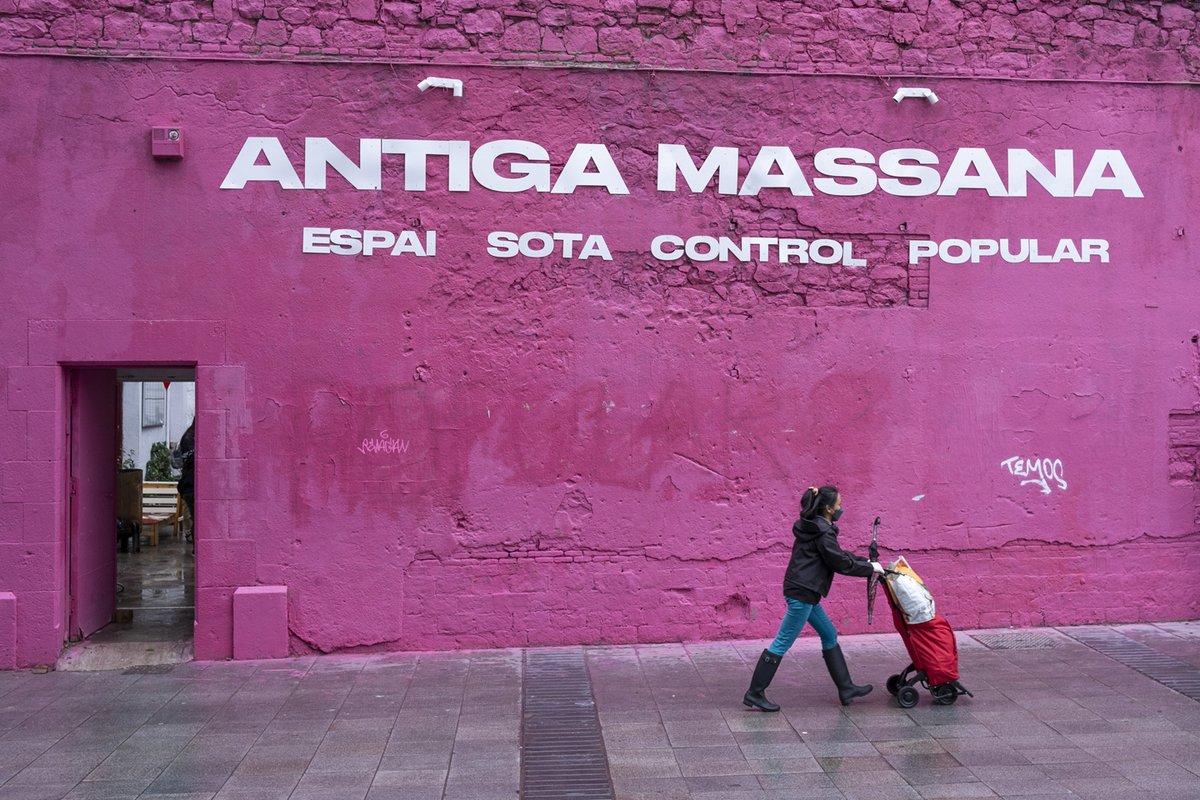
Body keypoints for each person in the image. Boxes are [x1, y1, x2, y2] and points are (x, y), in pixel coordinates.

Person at [743, 485, 884, 712]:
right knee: (782, 642)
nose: (841, 508)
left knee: (829, 634)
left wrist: (865, 563)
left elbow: (838, 555)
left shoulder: (814, 527)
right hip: (802, 594)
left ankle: (846, 688)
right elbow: (838, 562)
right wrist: (870, 569)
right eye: (838, 504)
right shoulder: (823, 532)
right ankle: (755, 693)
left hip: (805, 591)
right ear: (828, 508)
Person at [176, 420, 195, 545]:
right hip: (190, 484)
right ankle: (190, 534)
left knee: (193, 514)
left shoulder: (188, 436)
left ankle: (190, 534)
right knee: (196, 517)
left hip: (187, 483)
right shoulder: (191, 438)